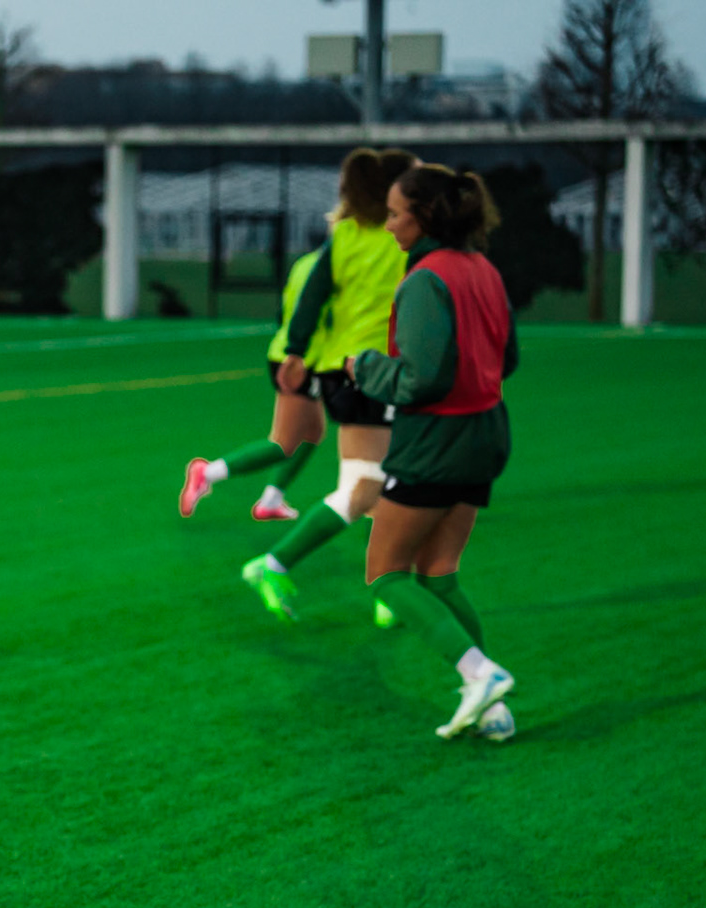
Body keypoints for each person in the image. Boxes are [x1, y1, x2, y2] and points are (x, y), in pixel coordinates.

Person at [351, 164, 519, 740]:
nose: (390, 223)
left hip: (436, 440)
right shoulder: (485, 271)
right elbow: (508, 359)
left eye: (397, 213)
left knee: (385, 574)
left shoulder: (425, 279)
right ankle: (493, 710)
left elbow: (422, 379)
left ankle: (481, 674)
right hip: (486, 433)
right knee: (441, 573)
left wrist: (365, 367)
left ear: (425, 217)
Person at [239, 147, 419, 622]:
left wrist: (296, 351)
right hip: (376, 374)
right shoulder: (406, 238)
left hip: (343, 370)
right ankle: (274, 563)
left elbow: (313, 296)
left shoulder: (345, 235)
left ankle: (389, 590)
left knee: (390, 483)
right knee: (369, 487)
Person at [178, 248, 334, 522]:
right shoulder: (333, 265)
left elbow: (285, 309)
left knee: (313, 432)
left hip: (290, 354)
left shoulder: (306, 262)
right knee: (284, 444)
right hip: (301, 361)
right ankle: (206, 472)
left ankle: (271, 501)